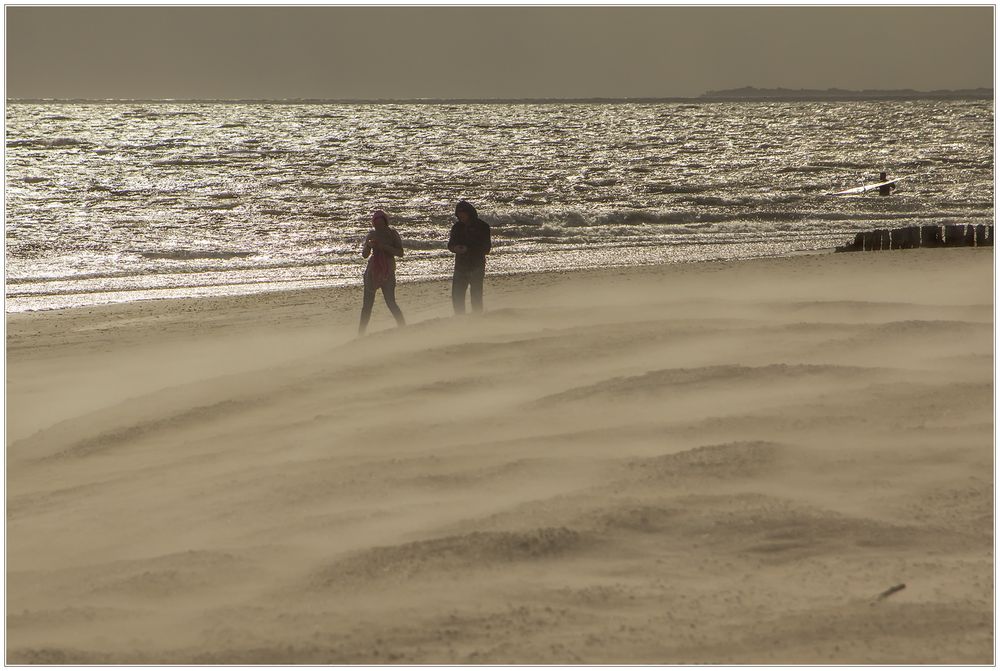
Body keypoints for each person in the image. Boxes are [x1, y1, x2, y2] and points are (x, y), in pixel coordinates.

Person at [358, 209, 405, 335]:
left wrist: (383, 247)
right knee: (367, 305)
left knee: (391, 302)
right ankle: (361, 333)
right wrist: (368, 246)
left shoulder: (392, 234)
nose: (378, 226)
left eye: (381, 223)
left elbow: (400, 252)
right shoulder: (371, 235)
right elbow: (364, 255)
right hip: (373, 272)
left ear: (385, 222)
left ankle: (403, 327)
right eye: (376, 223)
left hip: (388, 271)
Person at [448, 200, 492, 315]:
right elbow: (450, 244)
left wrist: (469, 249)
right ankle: (460, 319)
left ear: (469, 213)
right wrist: (455, 248)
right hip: (460, 267)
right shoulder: (457, 227)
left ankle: (477, 320)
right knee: (457, 297)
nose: (461, 215)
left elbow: (486, 248)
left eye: (463, 213)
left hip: (476, 266)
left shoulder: (483, 226)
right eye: (459, 213)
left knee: (476, 296)